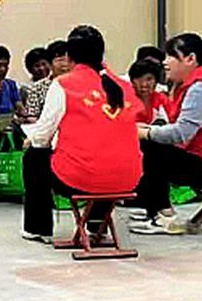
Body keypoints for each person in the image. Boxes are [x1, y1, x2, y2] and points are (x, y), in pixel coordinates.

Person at [21, 26, 142, 242]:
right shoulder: (124, 86)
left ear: (69, 56)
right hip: (128, 178)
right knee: (107, 159)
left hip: (79, 178)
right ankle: (97, 226)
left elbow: (41, 137)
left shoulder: (64, 85)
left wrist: (33, 139)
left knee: (34, 157)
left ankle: (38, 228)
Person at [130, 33, 202, 235]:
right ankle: (152, 209)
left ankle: (165, 217)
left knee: (150, 148)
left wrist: (144, 133)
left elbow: (181, 133)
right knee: (151, 140)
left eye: (171, 56)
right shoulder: (195, 83)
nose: (165, 62)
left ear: (190, 59)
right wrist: (147, 129)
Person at [23, 40, 70, 122]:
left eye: (68, 60)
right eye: (59, 60)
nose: (64, 64)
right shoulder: (37, 88)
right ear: (50, 63)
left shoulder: (81, 85)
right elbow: (31, 116)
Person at [129, 58, 172, 124]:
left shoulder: (162, 99)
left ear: (156, 81)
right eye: (139, 79)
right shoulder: (126, 100)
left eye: (149, 79)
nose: (144, 84)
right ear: (132, 81)